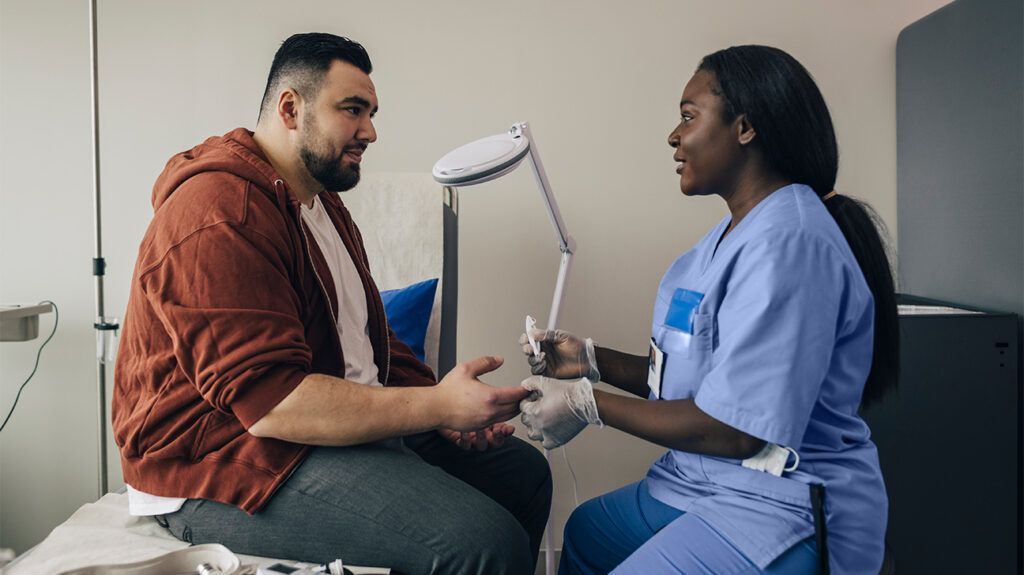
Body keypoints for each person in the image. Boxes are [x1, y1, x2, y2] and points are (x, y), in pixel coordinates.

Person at [112, 32, 550, 575]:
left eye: (371, 112)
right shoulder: (220, 213)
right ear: (290, 108)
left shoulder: (321, 205)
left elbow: (365, 334)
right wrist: (439, 407)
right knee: (484, 541)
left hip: (307, 431)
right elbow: (273, 403)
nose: (370, 130)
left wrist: (442, 405)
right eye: (352, 110)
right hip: (217, 461)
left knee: (523, 475)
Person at [518, 45, 898, 575]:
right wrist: (589, 359)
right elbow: (690, 379)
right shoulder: (725, 238)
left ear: (745, 127)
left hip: (778, 504)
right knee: (586, 534)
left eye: (688, 116)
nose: (673, 136)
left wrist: (589, 404)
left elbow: (738, 429)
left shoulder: (790, 245)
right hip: (701, 482)